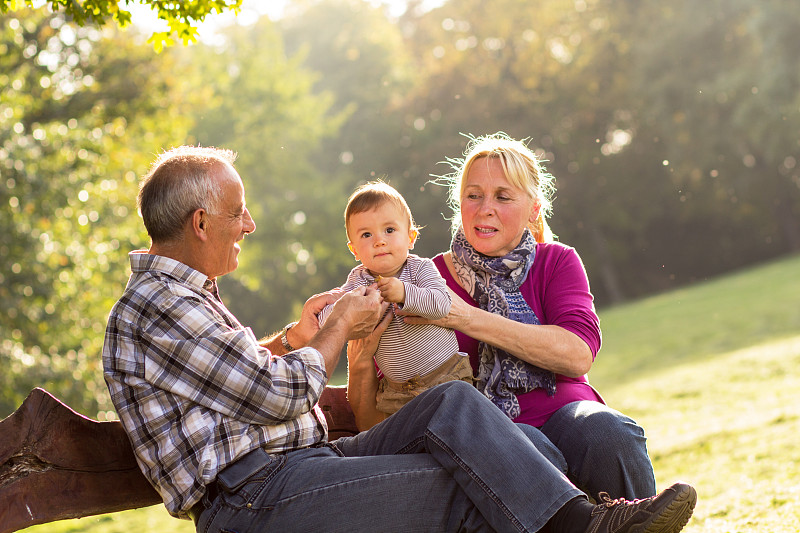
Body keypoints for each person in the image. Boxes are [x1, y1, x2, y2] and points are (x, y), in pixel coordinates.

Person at [102, 145, 697, 533]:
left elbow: (232, 380)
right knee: (480, 482)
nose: (250, 225)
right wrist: (338, 330)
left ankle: (582, 522)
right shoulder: (160, 304)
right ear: (201, 223)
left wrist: (291, 339)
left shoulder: (185, 297)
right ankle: (586, 527)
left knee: (465, 411)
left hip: (298, 466)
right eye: (239, 212)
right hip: (254, 498)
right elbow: (277, 396)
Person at [387, 132, 654, 502]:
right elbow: (397, 379)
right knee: (528, 450)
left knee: (609, 433)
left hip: (566, 409)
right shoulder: (425, 279)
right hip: (489, 432)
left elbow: (577, 354)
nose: (484, 209)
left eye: (503, 196)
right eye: (473, 195)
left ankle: (639, 518)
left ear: (533, 209)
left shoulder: (557, 261)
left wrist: (466, 317)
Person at [317, 181, 473, 416]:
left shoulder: (420, 269)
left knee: (456, 428)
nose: (379, 241)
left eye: (389, 230)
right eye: (366, 234)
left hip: (446, 376)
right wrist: (348, 310)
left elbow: (442, 304)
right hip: (396, 391)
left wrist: (404, 293)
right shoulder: (359, 282)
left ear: (410, 237)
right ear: (354, 250)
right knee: (404, 444)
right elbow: (331, 320)